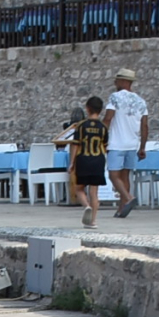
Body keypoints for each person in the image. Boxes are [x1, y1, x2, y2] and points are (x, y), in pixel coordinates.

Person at [104, 67, 151, 219]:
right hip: (132, 144)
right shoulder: (141, 101)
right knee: (125, 177)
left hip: (117, 143)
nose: (115, 82)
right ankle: (121, 209)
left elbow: (108, 118)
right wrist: (142, 146)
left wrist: (101, 135)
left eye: (117, 79)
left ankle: (129, 198)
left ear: (123, 81)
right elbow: (144, 125)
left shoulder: (115, 97)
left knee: (112, 175)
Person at [60, 96, 110, 229]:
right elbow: (105, 146)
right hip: (98, 159)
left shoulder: (81, 126)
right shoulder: (103, 127)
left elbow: (75, 145)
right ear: (100, 110)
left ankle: (86, 206)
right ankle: (93, 221)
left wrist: (71, 163)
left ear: (87, 109)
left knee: (79, 189)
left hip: (83, 158)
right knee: (94, 192)